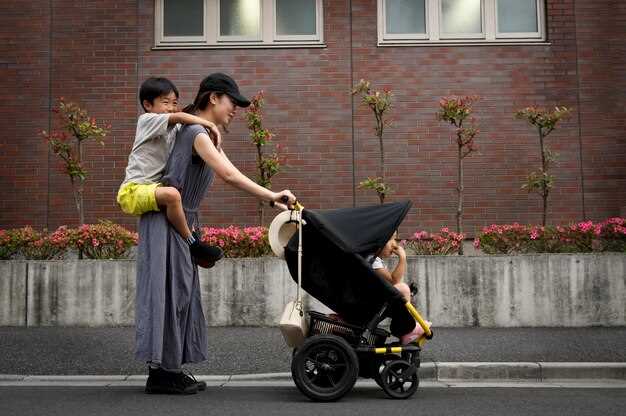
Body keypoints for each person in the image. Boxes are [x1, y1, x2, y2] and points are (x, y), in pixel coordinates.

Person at [136, 73, 297, 395]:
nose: (234, 110)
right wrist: (271, 195)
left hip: (177, 221)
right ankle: (163, 373)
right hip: (167, 221)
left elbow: (229, 168)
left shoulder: (199, 131)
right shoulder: (196, 131)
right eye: (231, 102)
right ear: (213, 98)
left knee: (178, 294)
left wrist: (270, 196)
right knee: (172, 294)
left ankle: (167, 369)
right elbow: (228, 174)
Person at [117, 77, 224, 267]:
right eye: (165, 102)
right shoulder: (147, 120)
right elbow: (181, 117)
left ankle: (195, 249)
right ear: (147, 105)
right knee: (173, 195)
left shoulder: (173, 130)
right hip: (132, 191)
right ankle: (193, 243)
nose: (171, 108)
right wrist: (209, 124)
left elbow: (186, 129)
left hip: (153, 189)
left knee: (178, 202)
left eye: (174, 103)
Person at [366, 231, 431, 345]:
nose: (395, 245)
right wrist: (402, 258)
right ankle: (406, 331)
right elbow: (393, 280)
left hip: (372, 302)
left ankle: (407, 329)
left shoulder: (374, 260)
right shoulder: (372, 260)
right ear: (379, 242)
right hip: (370, 305)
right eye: (391, 239)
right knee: (403, 289)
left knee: (401, 291)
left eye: (395, 240)